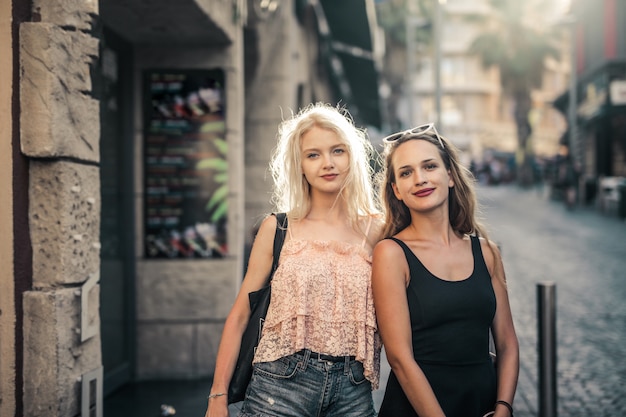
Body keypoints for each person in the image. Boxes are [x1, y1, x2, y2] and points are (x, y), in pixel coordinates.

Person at [204, 102, 383, 417]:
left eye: (337, 151)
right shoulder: (278, 228)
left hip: (352, 391)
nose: (327, 163)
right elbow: (240, 315)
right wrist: (217, 397)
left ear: (353, 155)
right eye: (313, 155)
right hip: (279, 387)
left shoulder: (377, 230)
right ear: (299, 165)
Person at [371, 123, 519, 417]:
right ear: (396, 190)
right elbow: (399, 358)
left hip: (482, 403)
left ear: (450, 175)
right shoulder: (391, 254)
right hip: (418, 407)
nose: (420, 179)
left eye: (429, 166)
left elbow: (507, 343)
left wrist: (503, 407)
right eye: (406, 172)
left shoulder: (486, 252)